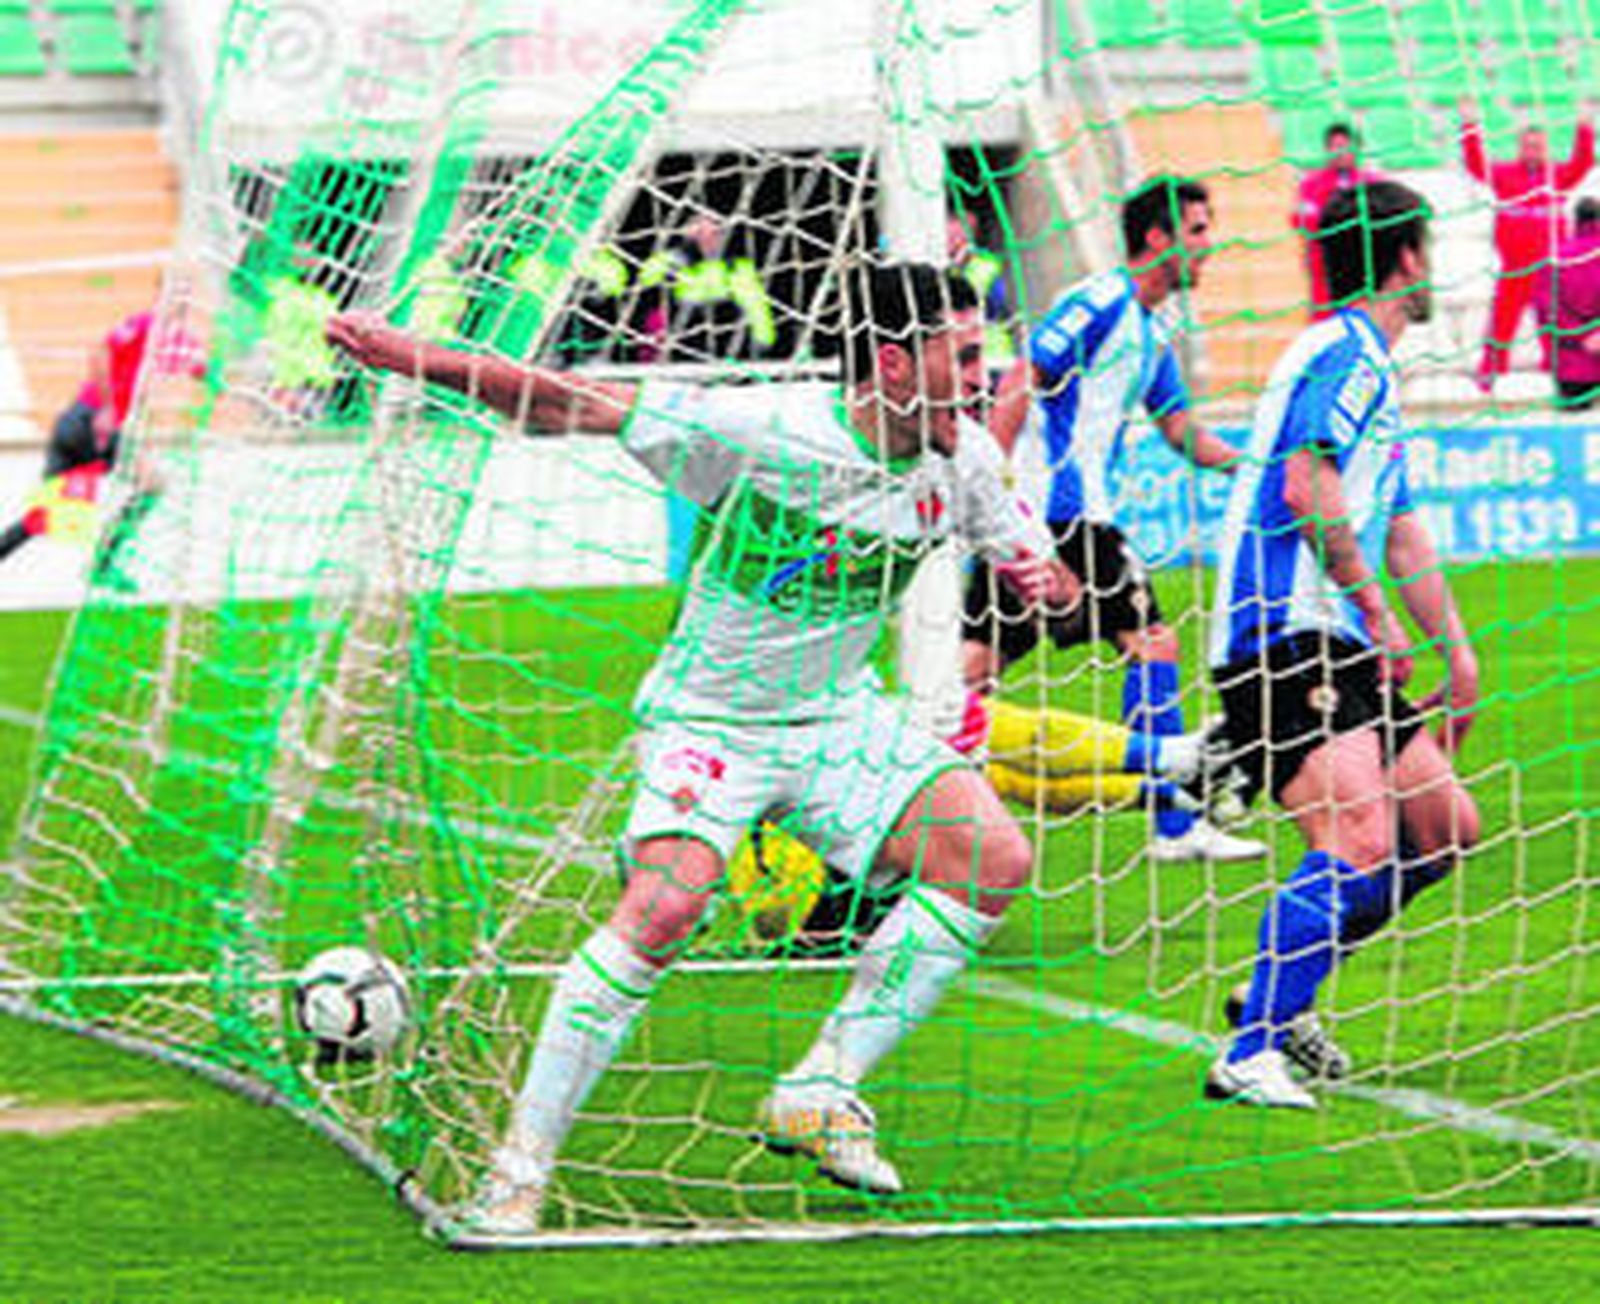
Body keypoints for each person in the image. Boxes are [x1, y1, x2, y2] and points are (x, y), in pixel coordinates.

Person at [327, 262, 1075, 1237]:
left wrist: (1048, 579)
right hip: (712, 721)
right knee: (666, 905)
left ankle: (821, 1081)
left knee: (991, 856)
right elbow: (565, 402)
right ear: (893, 363)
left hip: (839, 717)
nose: (984, 375)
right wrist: (406, 355)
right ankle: (517, 1171)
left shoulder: (963, 457)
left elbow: (1033, 561)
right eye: (963, 355)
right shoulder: (769, 431)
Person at [1203, 181, 1482, 1109]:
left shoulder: (1374, 371)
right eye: (1428, 250)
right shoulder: (1343, 353)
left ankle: (1281, 992)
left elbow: (1400, 528)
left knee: (1444, 829)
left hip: (1335, 637)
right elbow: (1304, 488)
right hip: (1278, 635)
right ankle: (1249, 1051)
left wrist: (1458, 649)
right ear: (1408, 259)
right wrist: (1382, 615)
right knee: (1360, 835)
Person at [969, 175, 1266, 864]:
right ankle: (1174, 824)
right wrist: (985, 488)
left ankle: (901, 782)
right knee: (1153, 642)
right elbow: (1022, 380)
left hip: (1053, 517)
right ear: (1157, 238)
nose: (1208, 246)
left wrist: (1255, 465)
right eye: (1197, 230)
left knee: (972, 673)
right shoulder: (1099, 302)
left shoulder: (1154, 330)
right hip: (1060, 512)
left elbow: (1182, 429)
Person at [0, 309, 199, 577]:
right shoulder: (143, 324)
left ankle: (103, 563)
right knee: (149, 484)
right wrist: (107, 409)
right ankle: (103, 564)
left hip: (100, 424)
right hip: (90, 419)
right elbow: (101, 352)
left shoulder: (179, 342)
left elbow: (201, 370)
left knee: (49, 513)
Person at [1459, 100, 1596, 393]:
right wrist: (1469, 124)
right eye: (1528, 146)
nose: (1532, 151)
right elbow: (1475, 165)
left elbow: (1583, 162)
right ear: (1519, 147)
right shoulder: (1505, 175)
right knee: (1501, 325)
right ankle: (1490, 375)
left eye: (1538, 146)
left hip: (1549, 271)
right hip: (1514, 268)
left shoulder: (1557, 176)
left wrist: (1584, 125)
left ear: (1546, 148)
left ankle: (1561, 376)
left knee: (1554, 327)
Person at [1292, 122, 1381, 319]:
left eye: (1345, 146)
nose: (1340, 152)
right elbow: (1301, 221)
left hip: (1363, 269)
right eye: (1334, 147)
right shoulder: (1310, 185)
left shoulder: (1373, 183)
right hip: (1325, 269)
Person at [1533, 197, 1600, 409]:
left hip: (1572, 359)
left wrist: (1581, 336)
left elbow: (1545, 307)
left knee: (1573, 431)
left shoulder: (1556, 257)